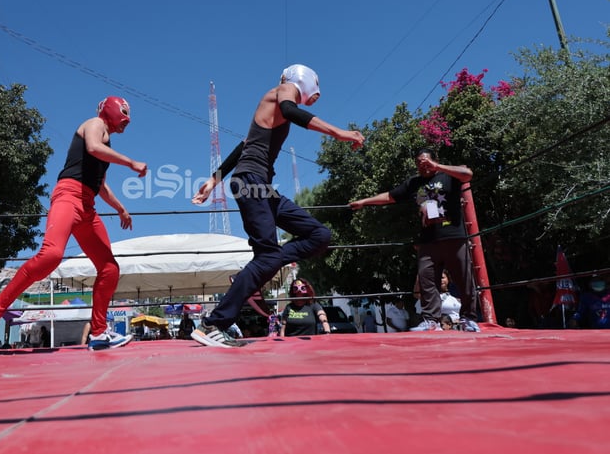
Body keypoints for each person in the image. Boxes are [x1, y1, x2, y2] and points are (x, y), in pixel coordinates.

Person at [191, 64, 364, 347]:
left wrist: (213, 180)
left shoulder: (271, 109)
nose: (314, 97)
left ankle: (260, 266)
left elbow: (243, 145)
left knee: (320, 236)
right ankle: (213, 323)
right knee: (268, 258)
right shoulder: (284, 90)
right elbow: (292, 111)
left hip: (261, 187)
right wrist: (340, 133)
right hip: (250, 181)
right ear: (303, 80)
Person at [0, 96, 147, 354]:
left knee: (109, 268)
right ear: (110, 110)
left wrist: (121, 209)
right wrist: (130, 162)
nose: (127, 120)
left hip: (87, 207)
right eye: (124, 113)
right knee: (51, 255)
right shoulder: (94, 124)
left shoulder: (107, 146)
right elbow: (94, 147)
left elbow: (100, 186)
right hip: (68, 196)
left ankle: (98, 332)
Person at [350, 148, 480, 332]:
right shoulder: (414, 183)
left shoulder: (448, 175)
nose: (422, 165)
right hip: (428, 240)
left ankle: (468, 319)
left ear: (435, 160)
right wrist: (364, 201)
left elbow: (468, 175)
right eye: (419, 162)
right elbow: (389, 196)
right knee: (427, 280)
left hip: (453, 236)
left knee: (463, 278)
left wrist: (437, 166)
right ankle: (431, 321)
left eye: (426, 161)